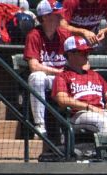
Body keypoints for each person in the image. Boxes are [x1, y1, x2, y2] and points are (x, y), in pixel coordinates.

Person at [25, 0, 70, 136]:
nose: (60, 17)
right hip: (50, 77)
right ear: (44, 17)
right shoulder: (34, 35)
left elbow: (81, 60)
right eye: (56, 15)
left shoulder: (65, 34)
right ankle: (40, 125)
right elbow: (34, 66)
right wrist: (58, 72)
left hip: (64, 78)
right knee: (36, 77)